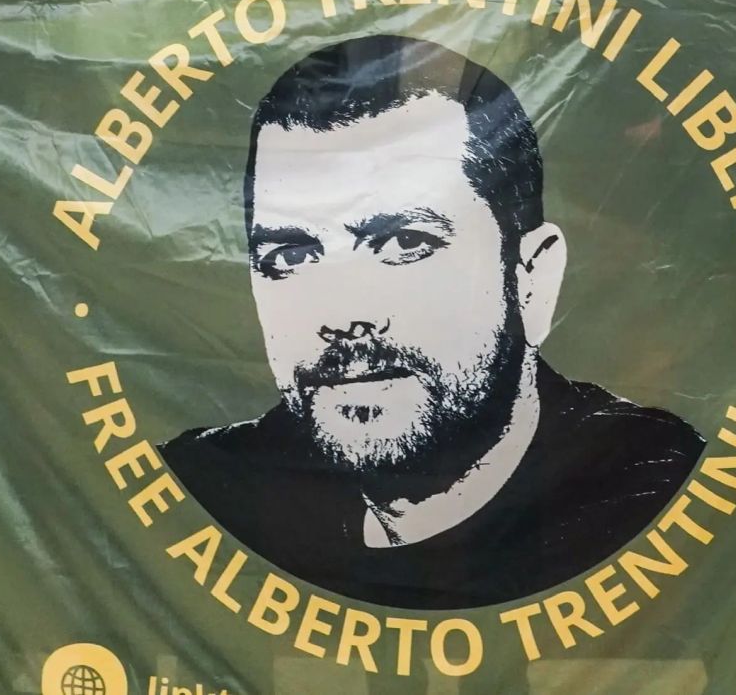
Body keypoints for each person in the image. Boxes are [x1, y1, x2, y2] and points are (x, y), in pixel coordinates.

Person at [160, 34, 705, 609]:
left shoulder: (655, 491)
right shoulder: (202, 495)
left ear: (532, 279)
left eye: (404, 243)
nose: (343, 316)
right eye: (291, 256)